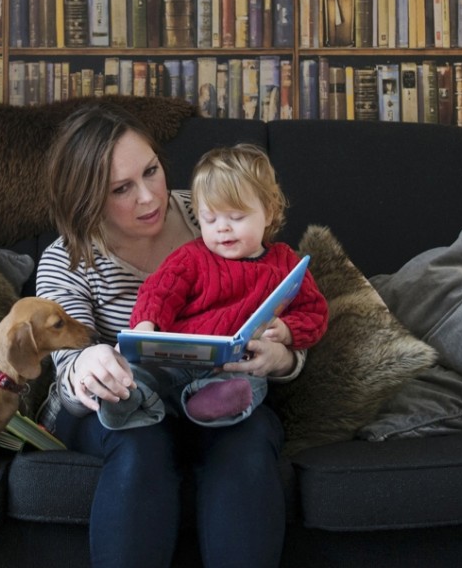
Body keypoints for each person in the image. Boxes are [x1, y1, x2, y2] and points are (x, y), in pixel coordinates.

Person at [36, 103, 313, 567]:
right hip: (121, 406)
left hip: (213, 394)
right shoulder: (68, 260)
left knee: (250, 432)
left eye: (152, 171)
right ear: (86, 199)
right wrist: (86, 366)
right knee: (140, 439)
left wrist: (282, 359)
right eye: (122, 188)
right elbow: (65, 370)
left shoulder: (213, 212)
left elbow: (287, 298)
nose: (149, 197)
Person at [100, 143, 327, 431]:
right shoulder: (191, 256)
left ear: (268, 213)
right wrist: (146, 326)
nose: (222, 228)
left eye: (236, 217)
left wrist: (289, 330)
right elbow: (158, 292)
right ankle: (125, 399)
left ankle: (215, 404)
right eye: (210, 218)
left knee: (249, 382)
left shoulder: (285, 263)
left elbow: (315, 312)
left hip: (234, 366)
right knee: (138, 373)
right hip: (177, 358)